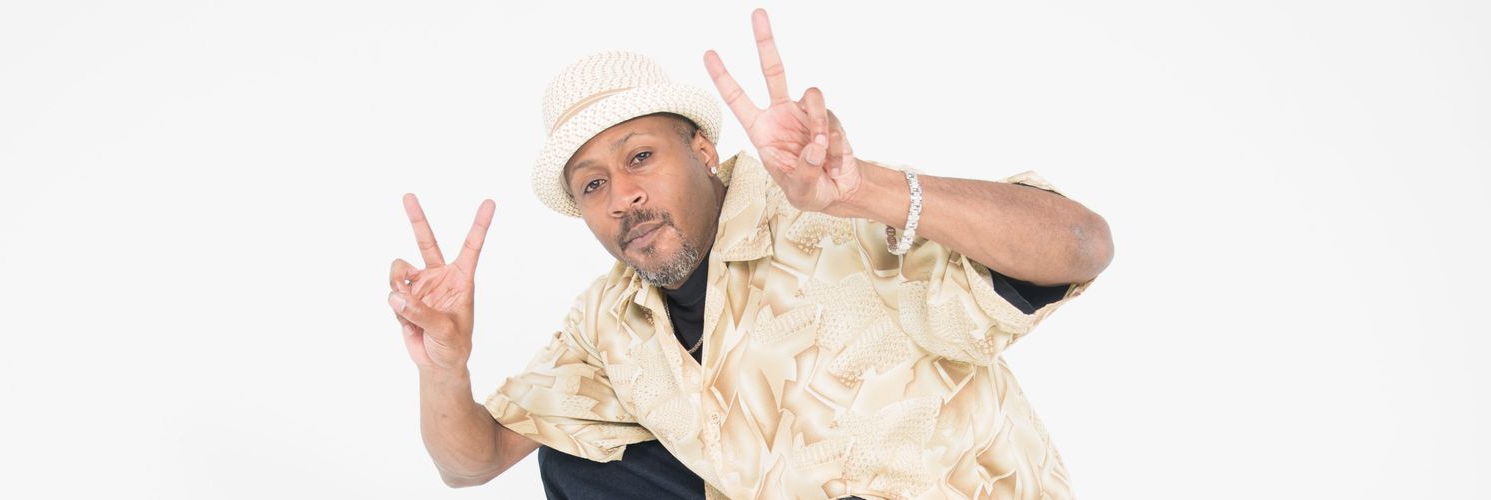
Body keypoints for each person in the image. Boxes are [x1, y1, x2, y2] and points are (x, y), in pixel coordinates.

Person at [386, 9, 1113, 499]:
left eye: (640, 157)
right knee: (578, 459)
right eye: (593, 185)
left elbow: (1084, 245)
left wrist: (871, 192)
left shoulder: (831, 220)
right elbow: (472, 461)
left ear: (704, 151)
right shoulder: (610, 322)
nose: (623, 197)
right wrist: (444, 368)